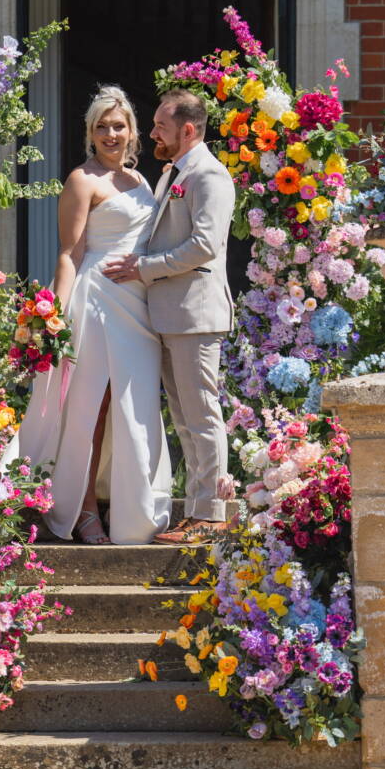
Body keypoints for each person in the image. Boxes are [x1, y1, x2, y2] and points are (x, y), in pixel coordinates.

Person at [10, 85, 172, 545]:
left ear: (132, 132)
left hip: (139, 308)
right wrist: (55, 314)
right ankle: (80, 510)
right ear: (90, 133)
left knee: (135, 406)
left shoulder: (142, 184)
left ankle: (133, 512)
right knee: (91, 406)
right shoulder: (82, 180)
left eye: (118, 126)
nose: (110, 134)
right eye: (101, 127)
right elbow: (69, 252)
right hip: (97, 301)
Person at [104, 88, 236, 543]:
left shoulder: (209, 176)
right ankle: (198, 511)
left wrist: (143, 268)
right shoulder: (172, 174)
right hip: (171, 313)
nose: (153, 131)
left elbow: (204, 245)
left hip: (196, 314)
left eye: (161, 125)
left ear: (187, 129)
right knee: (185, 418)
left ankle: (213, 514)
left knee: (201, 415)